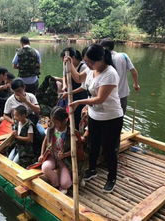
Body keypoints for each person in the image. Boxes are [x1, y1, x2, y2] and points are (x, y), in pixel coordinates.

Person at [68, 44, 123, 193]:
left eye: (91, 62)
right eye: (86, 62)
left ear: (101, 59)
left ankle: (112, 178)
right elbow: (78, 78)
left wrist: (80, 102)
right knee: (93, 144)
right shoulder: (91, 69)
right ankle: (92, 170)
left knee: (109, 149)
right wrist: (69, 63)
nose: (89, 65)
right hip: (94, 116)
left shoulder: (110, 74)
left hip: (111, 117)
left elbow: (99, 99)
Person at [39, 106, 84, 194]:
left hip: (65, 160)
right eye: (52, 121)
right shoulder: (51, 128)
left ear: (65, 120)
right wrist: (41, 154)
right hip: (52, 156)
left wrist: (65, 155)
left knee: (66, 184)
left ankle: (64, 179)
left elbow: (76, 149)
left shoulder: (72, 133)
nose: (54, 124)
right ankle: (55, 183)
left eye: (56, 122)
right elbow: (45, 141)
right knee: (45, 167)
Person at [100, 39, 140, 114]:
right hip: (122, 95)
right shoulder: (123, 56)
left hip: (107, 96)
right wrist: (136, 84)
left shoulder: (101, 59)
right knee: (120, 118)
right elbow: (133, 71)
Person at [60, 47, 88, 130]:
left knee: (77, 116)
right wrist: (65, 86)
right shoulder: (66, 65)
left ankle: (78, 133)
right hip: (69, 94)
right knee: (68, 112)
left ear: (73, 58)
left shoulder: (84, 67)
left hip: (79, 96)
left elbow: (83, 87)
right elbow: (64, 76)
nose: (64, 62)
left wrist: (70, 92)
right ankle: (68, 130)